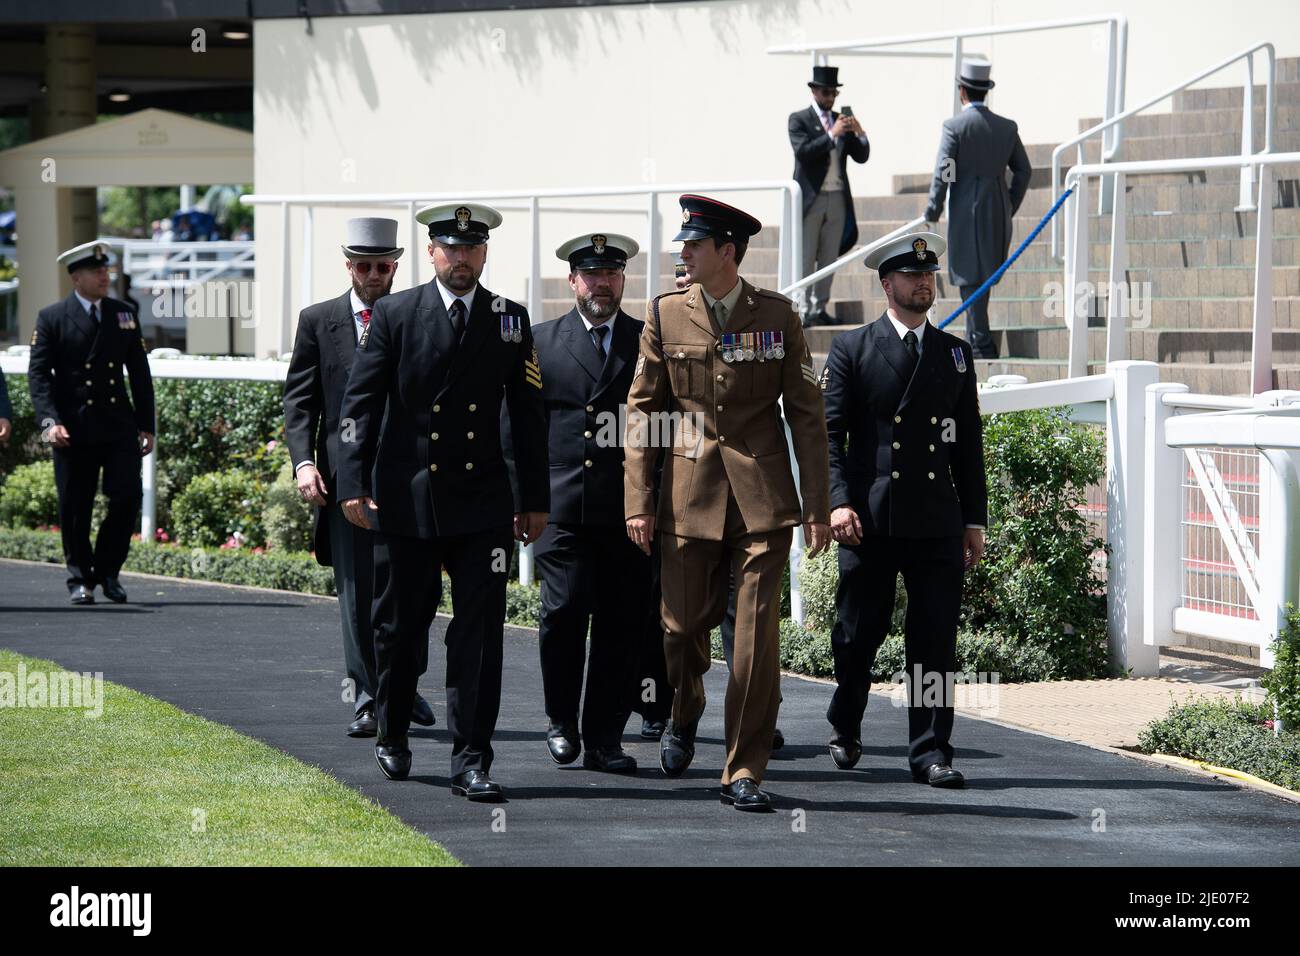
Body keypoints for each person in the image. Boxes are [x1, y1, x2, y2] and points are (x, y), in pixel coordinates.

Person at [624, 194, 831, 812]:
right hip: (687, 498)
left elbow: (807, 416)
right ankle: (684, 713)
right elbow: (643, 414)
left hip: (762, 505)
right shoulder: (665, 315)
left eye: (693, 244)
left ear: (727, 253)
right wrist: (638, 500)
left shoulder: (778, 316)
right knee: (681, 629)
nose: (682, 253)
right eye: (682, 244)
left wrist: (817, 504)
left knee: (754, 641)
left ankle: (743, 769)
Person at [336, 202, 548, 802]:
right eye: (450, 249)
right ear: (431, 254)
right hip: (409, 502)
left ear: (484, 254)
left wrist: (533, 497)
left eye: (472, 248)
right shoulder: (397, 313)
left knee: (480, 635)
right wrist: (353, 482)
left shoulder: (509, 318)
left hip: (483, 503)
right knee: (401, 627)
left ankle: (472, 759)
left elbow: (528, 415)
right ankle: (394, 728)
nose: (461, 259)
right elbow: (360, 406)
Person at [820, 231, 988, 788]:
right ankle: (846, 719)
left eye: (929, 275)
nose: (923, 283)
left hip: (936, 520)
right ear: (887, 284)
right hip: (870, 520)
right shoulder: (853, 349)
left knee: (935, 641)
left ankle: (930, 750)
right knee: (857, 635)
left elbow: (967, 445)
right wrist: (838, 502)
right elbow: (829, 436)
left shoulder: (954, 354)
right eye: (911, 276)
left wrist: (973, 520)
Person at [283, 217, 436, 739]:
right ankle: (369, 696)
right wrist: (305, 462)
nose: (374, 274)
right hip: (344, 477)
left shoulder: (419, 315)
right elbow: (301, 401)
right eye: (364, 266)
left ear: (395, 266)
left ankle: (405, 686)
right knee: (356, 592)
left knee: (412, 590)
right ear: (348, 266)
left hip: (408, 476)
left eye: (384, 266)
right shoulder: (318, 320)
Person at [507, 231, 649, 774]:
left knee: (621, 624)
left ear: (622, 279)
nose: (602, 284)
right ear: (572, 281)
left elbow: (669, 423)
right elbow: (518, 425)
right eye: (591, 275)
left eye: (611, 274)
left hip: (628, 509)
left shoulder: (646, 339)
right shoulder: (539, 341)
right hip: (559, 507)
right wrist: (522, 497)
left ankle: (605, 738)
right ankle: (561, 721)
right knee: (563, 614)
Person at [27, 242, 155, 605]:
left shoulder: (123, 313)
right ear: (76, 277)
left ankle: (108, 572)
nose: (105, 277)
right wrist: (49, 422)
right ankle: (80, 579)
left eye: (106, 271)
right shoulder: (52, 317)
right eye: (96, 272)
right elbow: (38, 376)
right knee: (75, 504)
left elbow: (140, 375)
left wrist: (146, 424)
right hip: (73, 428)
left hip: (117, 425)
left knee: (127, 497)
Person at [923, 57, 1032, 360]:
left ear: (962, 91)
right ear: (986, 91)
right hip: (997, 211)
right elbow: (1024, 171)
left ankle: (981, 344)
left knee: (970, 278)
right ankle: (978, 340)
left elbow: (945, 170)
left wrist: (932, 209)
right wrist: (1009, 204)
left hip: (965, 213)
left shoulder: (955, 127)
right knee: (981, 278)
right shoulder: (1006, 127)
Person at [788, 64, 870, 328]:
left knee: (828, 257)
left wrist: (859, 132)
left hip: (837, 197)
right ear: (814, 92)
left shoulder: (840, 120)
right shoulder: (798, 119)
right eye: (826, 92)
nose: (830, 97)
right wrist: (831, 135)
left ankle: (818, 307)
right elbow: (804, 152)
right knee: (805, 255)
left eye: (834, 93)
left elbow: (861, 157)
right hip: (812, 197)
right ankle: (798, 309)